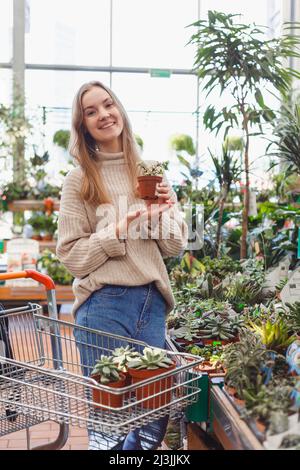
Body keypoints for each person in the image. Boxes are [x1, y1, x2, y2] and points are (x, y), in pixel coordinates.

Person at [56, 80, 188, 450]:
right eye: (91, 112)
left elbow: (174, 246)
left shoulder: (151, 172)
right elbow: (70, 255)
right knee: (110, 422)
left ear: (120, 110)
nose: (103, 115)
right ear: (82, 126)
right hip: (104, 305)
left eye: (107, 104)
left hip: (153, 303)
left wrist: (163, 212)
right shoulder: (80, 179)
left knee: (153, 418)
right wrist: (118, 230)